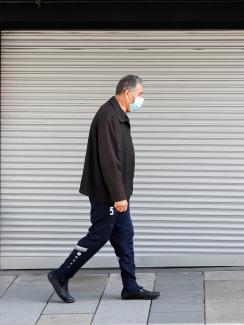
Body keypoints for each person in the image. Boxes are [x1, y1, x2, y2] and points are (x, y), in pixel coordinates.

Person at [47, 75, 160, 303]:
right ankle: (60, 275)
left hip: (118, 195)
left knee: (125, 236)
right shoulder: (108, 115)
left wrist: (122, 194)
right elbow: (109, 160)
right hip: (108, 195)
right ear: (127, 93)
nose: (141, 99)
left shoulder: (118, 114)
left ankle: (130, 286)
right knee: (98, 235)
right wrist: (118, 195)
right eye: (140, 94)